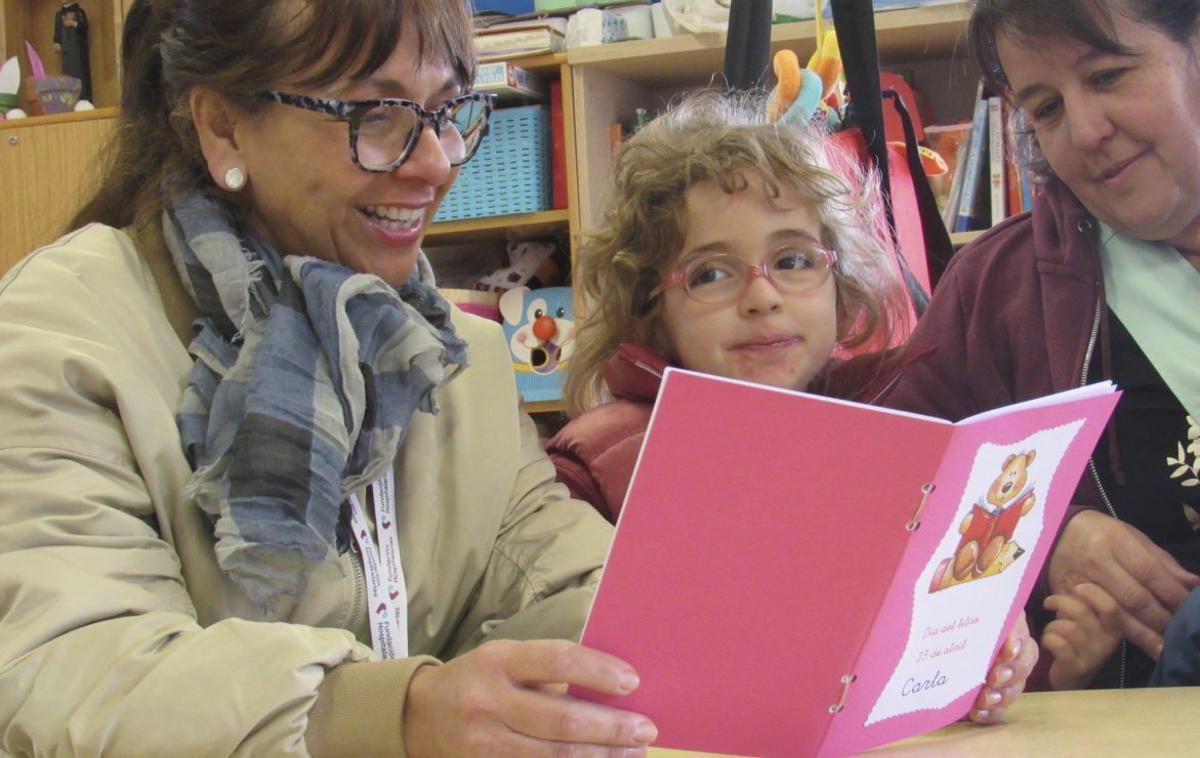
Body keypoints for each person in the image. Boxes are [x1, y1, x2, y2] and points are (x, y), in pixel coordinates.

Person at [0, 0, 659, 754]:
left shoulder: (448, 357)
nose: (436, 161)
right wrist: (393, 716)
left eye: (447, 110)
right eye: (375, 115)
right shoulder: (63, 333)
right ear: (221, 126)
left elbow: (567, 583)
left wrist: (674, 633)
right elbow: (67, 677)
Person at [546, 91, 1036, 723]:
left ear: (842, 281)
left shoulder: (902, 422)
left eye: (794, 261)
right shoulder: (596, 463)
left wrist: (985, 639)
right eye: (711, 274)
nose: (762, 297)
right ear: (651, 307)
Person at [880, 0, 1200, 689]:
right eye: (1047, 108)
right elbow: (891, 486)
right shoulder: (998, 291)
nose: (1086, 131)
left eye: (1109, 77)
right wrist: (1043, 533)